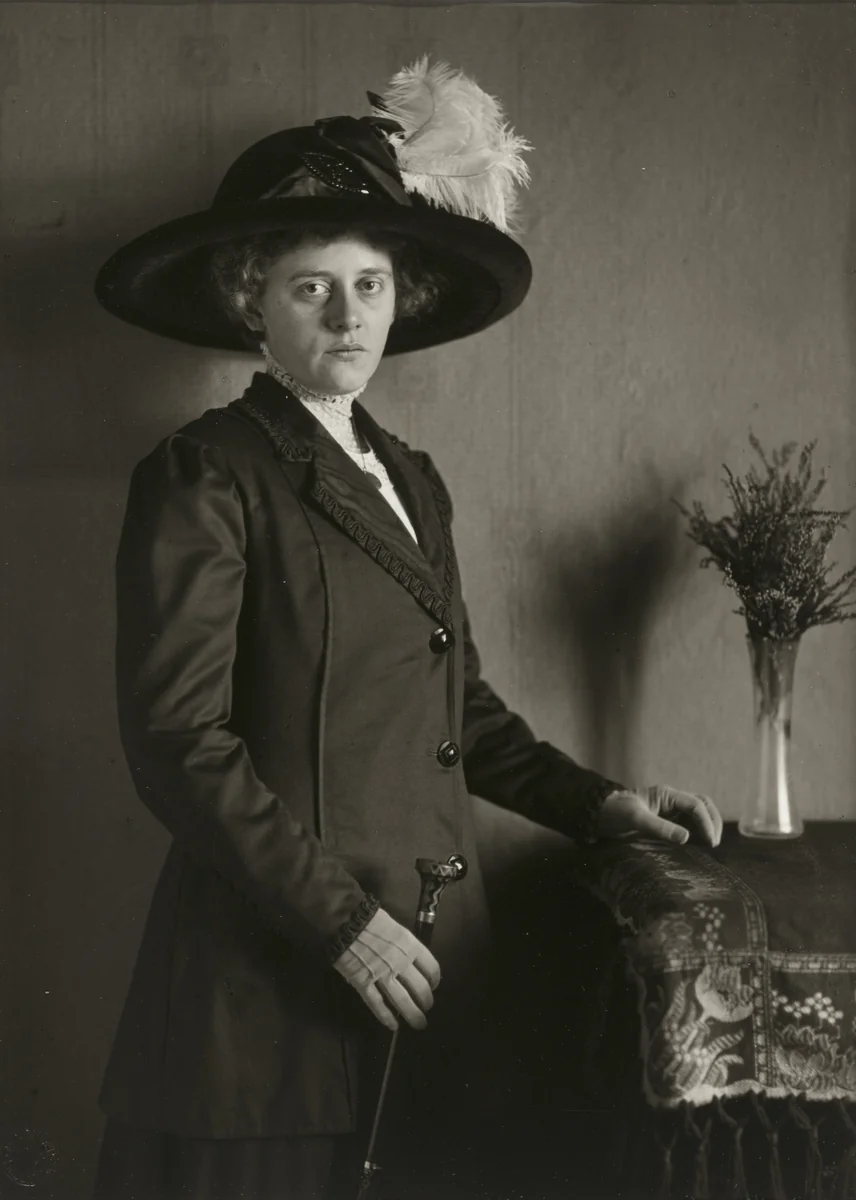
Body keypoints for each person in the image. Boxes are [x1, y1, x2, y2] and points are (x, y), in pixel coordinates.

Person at [91, 58, 723, 1200]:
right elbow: (175, 741)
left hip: (426, 977)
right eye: (310, 288)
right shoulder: (206, 474)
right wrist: (341, 924)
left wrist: (596, 801)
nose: (347, 316)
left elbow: (459, 713)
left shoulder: (411, 480)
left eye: (370, 285)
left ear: (402, 297)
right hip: (266, 990)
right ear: (250, 300)